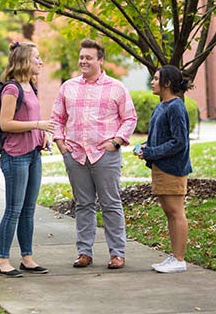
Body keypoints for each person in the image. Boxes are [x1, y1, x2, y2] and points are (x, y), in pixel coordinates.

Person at [50, 38, 137, 270]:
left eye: (88, 57)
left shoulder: (116, 88)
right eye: (81, 57)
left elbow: (130, 118)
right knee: (83, 205)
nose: (83, 61)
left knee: (111, 203)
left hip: (105, 155)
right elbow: (56, 119)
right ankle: (84, 253)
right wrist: (61, 144)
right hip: (76, 154)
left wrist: (116, 142)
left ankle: (117, 253)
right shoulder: (67, 87)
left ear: (100, 60)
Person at [0, 41, 56, 278]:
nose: (41, 61)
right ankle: (2, 261)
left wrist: (42, 137)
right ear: (24, 61)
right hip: (15, 156)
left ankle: (27, 258)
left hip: (33, 154)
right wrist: (38, 125)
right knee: (14, 209)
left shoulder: (30, 86)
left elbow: (31, 118)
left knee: (29, 209)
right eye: (37, 58)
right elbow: (5, 123)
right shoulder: (11, 89)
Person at [136, 65, 192, 273]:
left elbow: (179, 142)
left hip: (173, 168)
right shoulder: (162, 105)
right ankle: (175, 256)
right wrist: (146, 147)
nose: (152, 82)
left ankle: (179, 259)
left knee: (176, 212)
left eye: (156, 78)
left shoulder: (176, 107)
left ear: (167, 83)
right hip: (160, 166)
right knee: (169, 212)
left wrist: (151, 152)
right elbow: (161, 136)